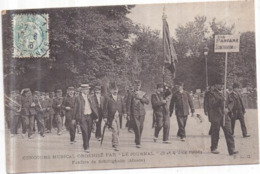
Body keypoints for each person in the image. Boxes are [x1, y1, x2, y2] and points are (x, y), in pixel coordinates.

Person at [208, 79, 238, 155]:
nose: (221, 85)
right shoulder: (211, 93)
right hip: (216, 116)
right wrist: (221, 100)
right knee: (215, 132)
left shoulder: (226, 93)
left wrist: (228, 109)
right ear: (215, 85)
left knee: (229, 132)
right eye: (219, 84)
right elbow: (211, 104)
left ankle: (232, 149)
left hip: (225, 115)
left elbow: (231, 102)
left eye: (222, 84)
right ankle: (214, 148)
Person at [74, 84, 98, 153]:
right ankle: (86, 147)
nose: (87, 91)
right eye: (85, 89)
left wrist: (96, 116)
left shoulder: (90, 97)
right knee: (85, 131)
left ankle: (85, 144)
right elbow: (75, 108)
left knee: (89, 132)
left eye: (88, 89)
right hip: (82, 116)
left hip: (90, 116)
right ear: (82, 90)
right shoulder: (78, 98)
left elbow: (94, 107)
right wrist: (75, 118)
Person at [103, 82, 126, 151]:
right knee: (115, 130)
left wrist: (125, 113)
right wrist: (105, 117)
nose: (115, 91)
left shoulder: (120, 97)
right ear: (111, 90)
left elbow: (123, 106)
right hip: (111, 117)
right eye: (114, 90)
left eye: (116, 89)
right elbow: (105, 108)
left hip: (119, 117)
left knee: (118, 130)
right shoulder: (108, 98)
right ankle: (116, 145)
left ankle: (113, 142)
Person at [127, 80, 149, 148]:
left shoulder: (143, 93)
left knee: (141, 127)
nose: (137, 87)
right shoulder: (131, 93)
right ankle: (138, 142)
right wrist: (128, 113)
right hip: (134, 112)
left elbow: (147, 102)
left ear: (140, 86)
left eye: (139, 85)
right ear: (134, 86)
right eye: (136, 85)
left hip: (142, 113)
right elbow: (128, 104)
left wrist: (141, 98)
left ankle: (137, 139)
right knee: (137, 127)